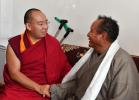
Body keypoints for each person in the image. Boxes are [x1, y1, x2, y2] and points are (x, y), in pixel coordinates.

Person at [45, 15, 138, 100]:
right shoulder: (92, 54)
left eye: (91, 31)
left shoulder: (123, 62)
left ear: (103, 35)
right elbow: (78, 84)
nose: (88, 34)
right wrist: (52, 90)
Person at [0, 8, 71, 100]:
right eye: (41, 24)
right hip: (22, 87)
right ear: (29, 26)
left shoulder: (53, 43)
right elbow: (14, 73)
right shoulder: (15, 44)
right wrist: (38, 88)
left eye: (46, 22)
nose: (45, 27)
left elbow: (64, 67)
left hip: (47, 87)